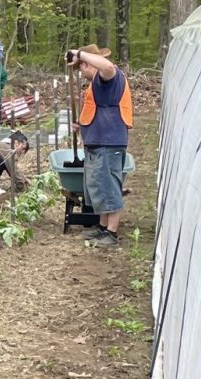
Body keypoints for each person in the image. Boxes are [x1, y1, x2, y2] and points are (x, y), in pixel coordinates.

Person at [67, 44, 133, 247]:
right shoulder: (98, 83)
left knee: (109, 187)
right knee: (100, 187)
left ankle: (111, 234)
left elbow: (108, 67)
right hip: (99, 142)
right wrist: (83, 125)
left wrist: (79, 54)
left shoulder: (109, 77)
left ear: (87, 63)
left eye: (81, 67)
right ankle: (103, 227)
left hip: (109, 142)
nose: (80, 73)